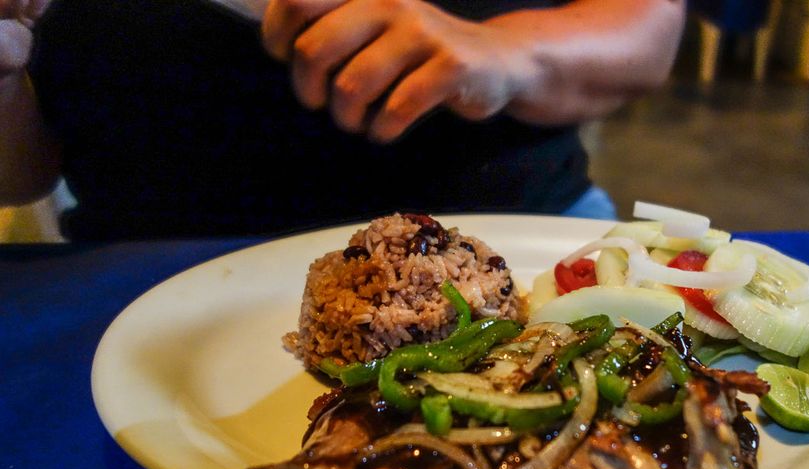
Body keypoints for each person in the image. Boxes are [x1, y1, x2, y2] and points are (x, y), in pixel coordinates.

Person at [0, 0, 684, 239]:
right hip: (140, 270)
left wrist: (505, 51)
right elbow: (21, 173)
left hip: (520, 230)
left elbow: (648, 32)